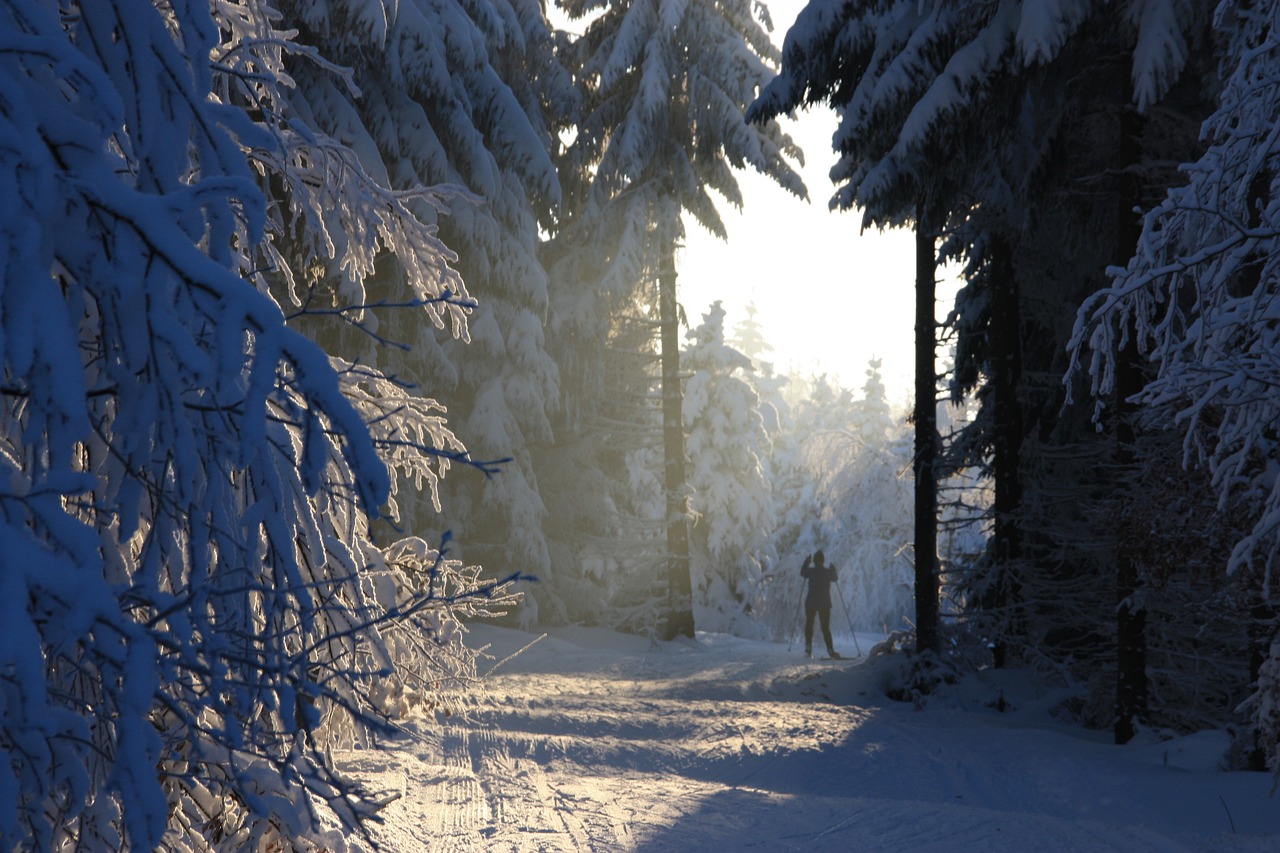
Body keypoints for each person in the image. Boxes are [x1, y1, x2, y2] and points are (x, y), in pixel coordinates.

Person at [800, 549, 840, 659]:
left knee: (809, 624)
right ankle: (830, 650)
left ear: (814, 561)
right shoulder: (827, 572)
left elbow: (802, 572)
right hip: (824, 603)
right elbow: (835, 578)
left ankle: (808, 648)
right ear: (823, 560)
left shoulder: (811, 571)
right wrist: (833, 569)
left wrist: (806, 562)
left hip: (811, 602)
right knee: (825, 627)